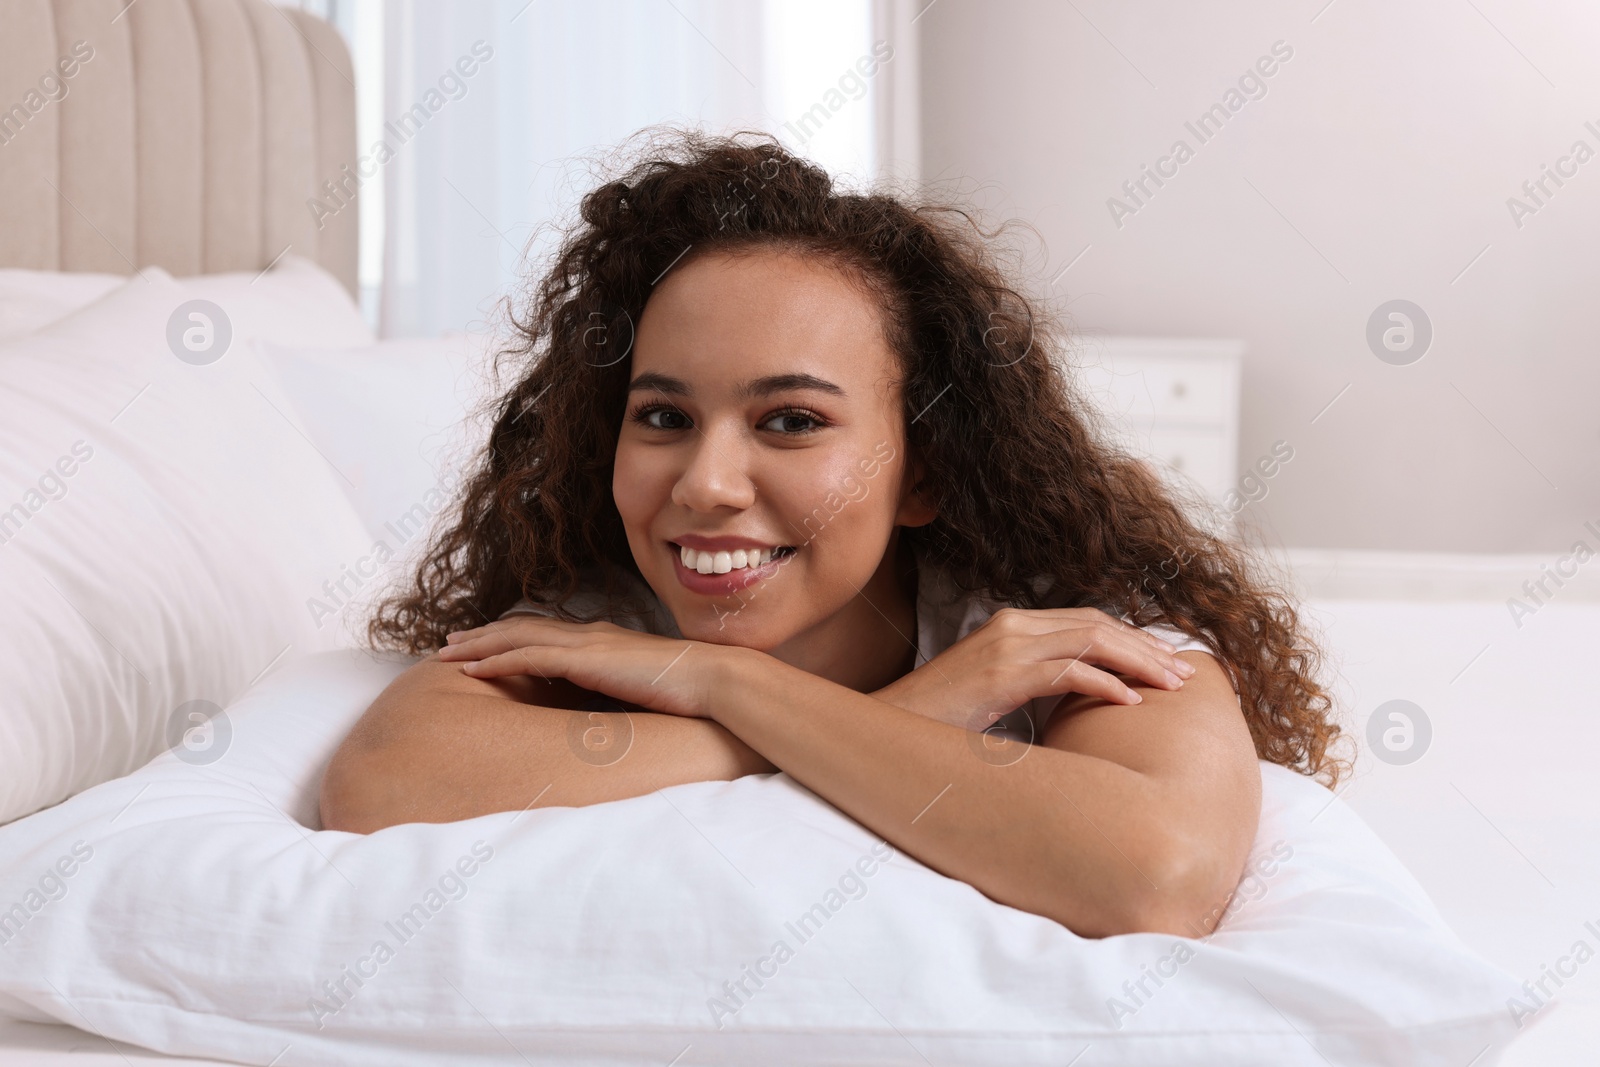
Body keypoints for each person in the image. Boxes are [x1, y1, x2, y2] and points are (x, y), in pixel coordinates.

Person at [320, 129, 1347, 939]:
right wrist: (917, 711)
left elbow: (1153, 874)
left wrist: (727, 682)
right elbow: (385, 780)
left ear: (925, 470)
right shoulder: (598, 614)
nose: (706, 483)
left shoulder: (1059, 631)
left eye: (791, 421)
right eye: (664, 417)